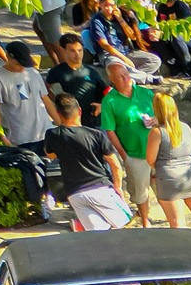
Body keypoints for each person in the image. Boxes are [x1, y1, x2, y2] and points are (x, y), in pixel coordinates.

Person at [43, 92, 130, 230]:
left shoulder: (52, 135)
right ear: (80, 111)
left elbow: (51, 155)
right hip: (100, 189)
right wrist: (118, 187)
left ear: (58, 114)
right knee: (125, 222)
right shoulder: (96, 135)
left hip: (75, 194)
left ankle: (79, 226)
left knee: (97, 234)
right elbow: (115, 165)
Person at [97, 58, 156, 226]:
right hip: (134, 153)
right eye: (120, 76)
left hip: (156, 150)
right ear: (112, 80)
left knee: (163, 186)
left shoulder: (146, 93)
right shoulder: (110, 101)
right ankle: (145, 221)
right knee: (140, 191)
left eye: (126, 74)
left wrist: (156, 120)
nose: (125, 78)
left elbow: (164, 115)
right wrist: (124, 155)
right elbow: (110, 130)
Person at [144, 91, 191, 234]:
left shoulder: (157, 132)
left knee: (177, 223)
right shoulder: (186, 127)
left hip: (169, 178)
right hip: (190, 175)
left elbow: (150, 159)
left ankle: (185, 254)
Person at [0, 42, 53, 155]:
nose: (22, 68)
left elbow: (45, 99)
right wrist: (1, 135)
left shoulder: (32, 72)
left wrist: (60, 125)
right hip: (21, 138)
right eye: (19, 64)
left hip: (45, 132)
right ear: (8, 57)